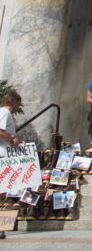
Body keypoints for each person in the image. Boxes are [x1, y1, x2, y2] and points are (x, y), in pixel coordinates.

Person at [0, 90, 22, 239]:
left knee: (3, 190)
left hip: (4, 152)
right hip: (2, 153)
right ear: (14, 102)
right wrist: (11, 138)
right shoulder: (5, 113)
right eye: (17, 105)